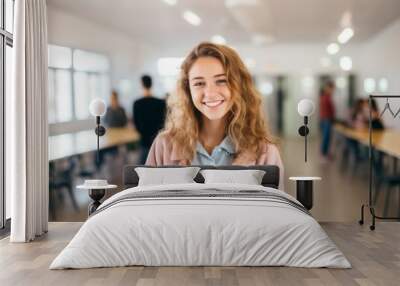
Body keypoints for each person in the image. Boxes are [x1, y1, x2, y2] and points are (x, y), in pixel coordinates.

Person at [145, 42, 284, 189]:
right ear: (188, 90)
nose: (210, 93)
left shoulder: (266, 152)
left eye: (221, 81)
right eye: (199, 83)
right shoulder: (164, 146)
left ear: (239, 86)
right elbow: (146, 207)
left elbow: (275, 211)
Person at [133, 75, 166, 164]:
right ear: (151, 84)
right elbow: (164, 122)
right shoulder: (161, 102)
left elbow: (136, 124)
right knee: (159, 165)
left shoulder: (137, 103)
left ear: (141, 85)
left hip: (144, 140)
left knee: (142, 168)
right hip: (158, 139)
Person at [319, 80, 336, 161]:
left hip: (326, 119)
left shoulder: (327, 96)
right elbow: (328, 110)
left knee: (327, 138)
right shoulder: (325, 97)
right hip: (326, 119)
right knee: (326, 138)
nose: (333, 90)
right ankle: (323, 154)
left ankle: (326, 153)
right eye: (332, 88)